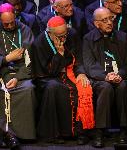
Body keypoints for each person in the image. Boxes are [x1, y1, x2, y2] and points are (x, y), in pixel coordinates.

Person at [0, 3, 37, 149]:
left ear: (16, 17)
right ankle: (0, 133)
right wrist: (7, 59)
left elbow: (30, 61)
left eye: (12, 22)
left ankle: (21, 133)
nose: (10, 26)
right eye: (6, 24)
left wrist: (18, 77)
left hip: (21, 74)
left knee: (27, 89)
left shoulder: (25, 30)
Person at [32, 16, 94, 145]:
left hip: (71, 72)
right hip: (49, 77)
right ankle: (55, 134)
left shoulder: (72, 34)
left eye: (64, 34)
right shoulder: (40, 42)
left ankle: (82, 132)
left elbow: (79, 57)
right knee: (54, 87)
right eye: (59, 36)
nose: (63, 38)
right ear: (50, 33)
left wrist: (81, 72)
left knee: (83, 85)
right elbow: (46, 71)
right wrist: (59, 54)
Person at [83, 7, 127, 147]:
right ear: (96, 23)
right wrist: (106, 76)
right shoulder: (88, 39)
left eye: (111, 18)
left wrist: (120, 75)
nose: (109, 22)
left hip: (120, 77)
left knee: (123, 86)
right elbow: (89, 65)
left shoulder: (124, 38)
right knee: (105, 88)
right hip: (100, 79)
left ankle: (124, 130)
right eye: (104, 20)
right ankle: (99, 131)